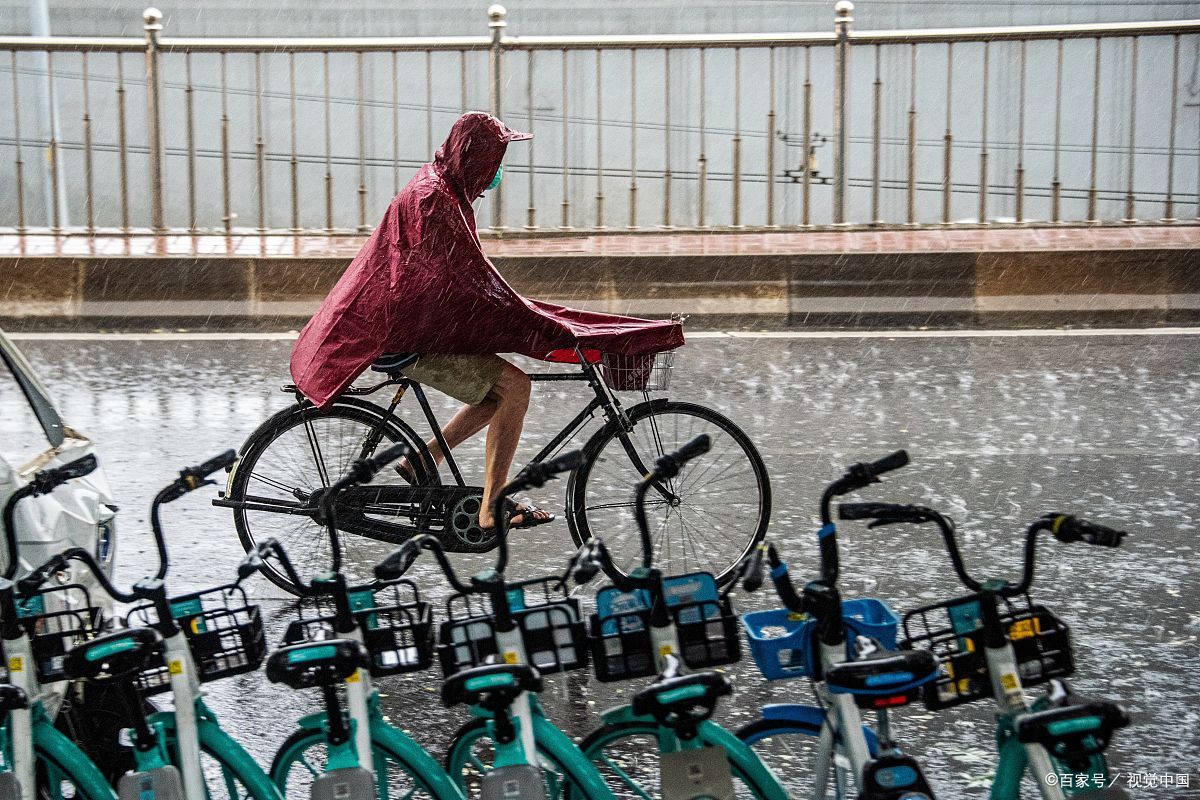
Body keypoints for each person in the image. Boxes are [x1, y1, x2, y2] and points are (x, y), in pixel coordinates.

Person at [289, 112, 683, 532]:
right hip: (404, 332)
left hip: (406, 323)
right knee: (516, 387)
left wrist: (519, 315)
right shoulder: (436, 200)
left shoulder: (440, 187)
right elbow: (468, 281)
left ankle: (424, 459)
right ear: (476, 158)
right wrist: (531, 321)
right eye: (495, 160)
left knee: (495, 393)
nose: (497, 172)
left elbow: (463, 278)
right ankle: (491, 509)